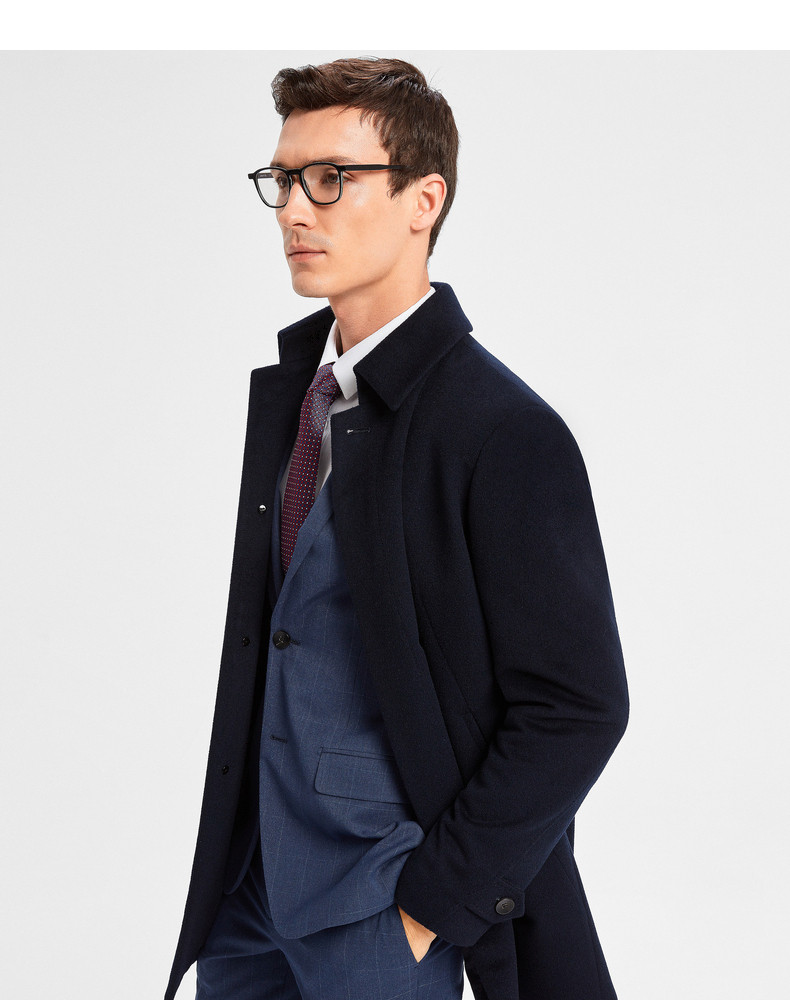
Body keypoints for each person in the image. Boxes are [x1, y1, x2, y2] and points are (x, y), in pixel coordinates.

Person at [165, 56, 628, 1001]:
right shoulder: (301, 397)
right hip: (249, 894)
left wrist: (434, 904)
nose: (295, 210)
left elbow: (579, 707)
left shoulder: (503, 430)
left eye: (331, 178)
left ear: (425, 198)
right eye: (283, 180)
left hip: (382, 902)